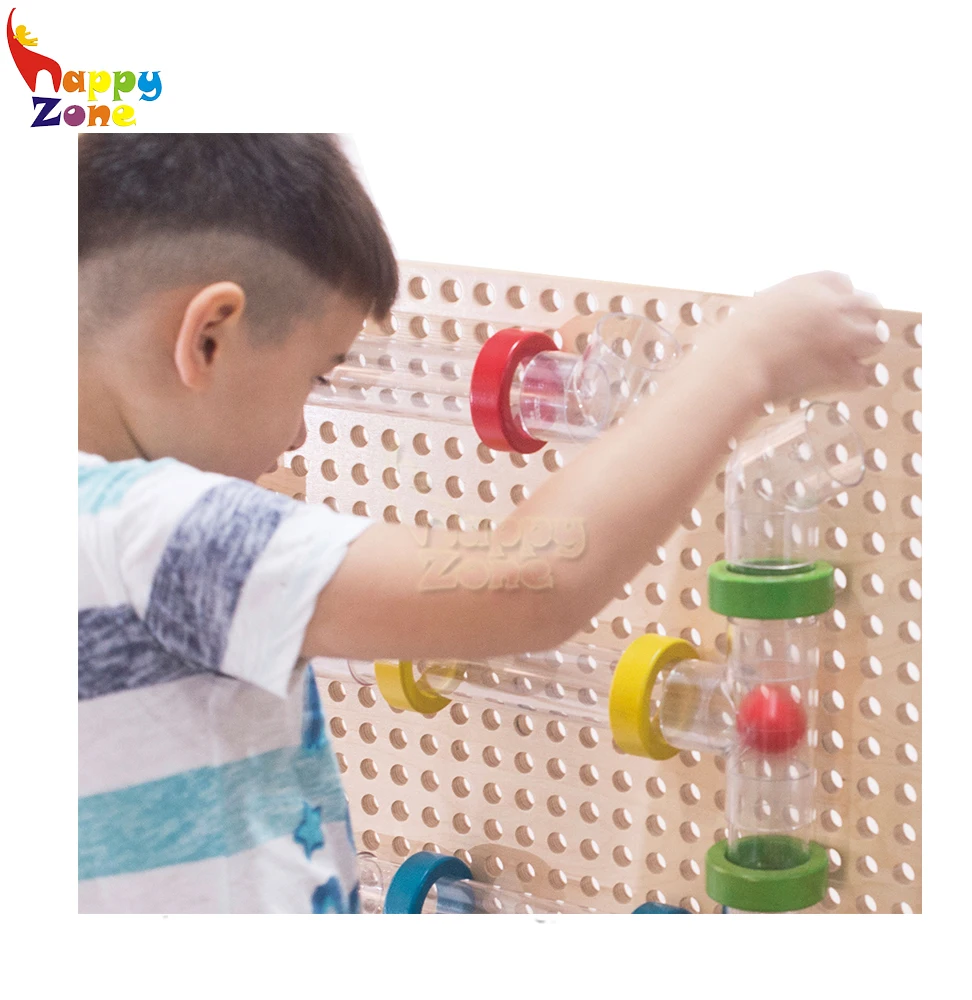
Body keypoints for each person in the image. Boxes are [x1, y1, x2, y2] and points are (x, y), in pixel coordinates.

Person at [78, 133, 884, 913]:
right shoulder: (164, 533)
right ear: (208, 338)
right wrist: (746, 361)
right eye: (313, 378)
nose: (297, 435)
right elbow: (527, 580)